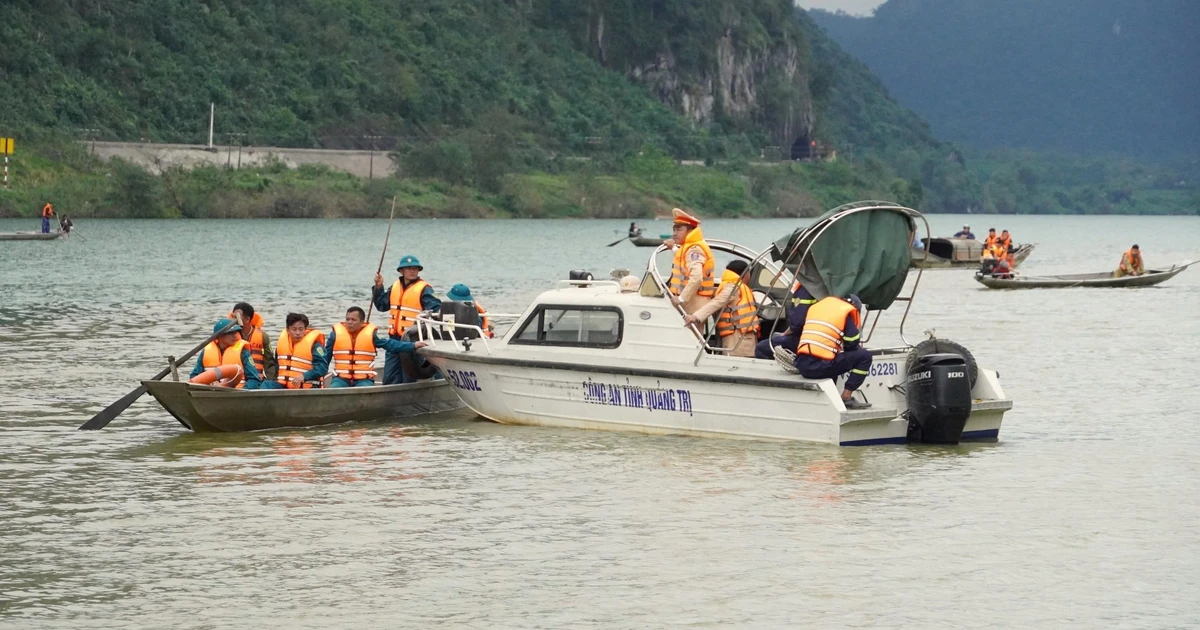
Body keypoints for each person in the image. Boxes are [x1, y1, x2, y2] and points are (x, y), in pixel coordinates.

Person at [792, 295, 872, 410]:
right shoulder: (845, 311)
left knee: (833, 356)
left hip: (802, 365)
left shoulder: (818, 307)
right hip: (820, 366)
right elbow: (852, 341)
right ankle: (846, 397)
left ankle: (830, 397)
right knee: (865, 356)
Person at [372, 255, 441, 384]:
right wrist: (379, 287)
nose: (412, 271)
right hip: (394, 340)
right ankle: (391, 398)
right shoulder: (395, 287)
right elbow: (381, 305)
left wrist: (422, 321)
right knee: (389, 376)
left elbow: (435, 307)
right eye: (408, 268)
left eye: (415, 268)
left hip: (412, 339)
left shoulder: (425, 288)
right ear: (401, 271)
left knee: (409, 376)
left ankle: (411, 398)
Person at [325, 306, 429, 387]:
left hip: (363, 380)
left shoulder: (371, 335)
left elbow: (391, 345)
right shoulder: (335, 335)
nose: (349, 322)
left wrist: (413, 345)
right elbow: (325, 357)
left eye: (353, 320)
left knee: (365, 392)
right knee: (334, 388)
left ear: (362, 323)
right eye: (347, 319)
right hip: (340, 379)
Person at [684, 260, 760, 358]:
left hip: (739, 338)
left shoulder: (729, 285)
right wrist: (696, 316)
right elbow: (717, 302)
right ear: (745, 274)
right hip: (739, 340)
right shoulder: (734, 288)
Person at [664, 207, 715, 316]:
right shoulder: (688, 248)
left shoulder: (694, 249)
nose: (674, 233)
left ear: (690, 231)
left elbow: (696, 278)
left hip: (693, 305)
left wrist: (681, 298)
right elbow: (685, 260)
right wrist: (673, 248)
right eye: (674, 229)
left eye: (679, 229)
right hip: (691, 304)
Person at [189, 318, 263, 389]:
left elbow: (254, 379)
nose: (235, 336)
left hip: (236, 393)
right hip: (210, 392)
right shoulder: (206, 351)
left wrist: (244, 391)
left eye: (235, 332)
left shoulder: (243, 352)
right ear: (219, 336)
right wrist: (207, 384)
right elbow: (194, 376)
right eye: (230, 333)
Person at [755, 279, 817, 359]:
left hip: (803, 340)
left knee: (761, 348)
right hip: (820, 339)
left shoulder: (805, 290)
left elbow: (797, 323)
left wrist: (783, 335)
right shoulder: (821, 288)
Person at [263, 313, 327, 389]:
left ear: (305, 329)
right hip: (284, 385)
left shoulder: (315, 346)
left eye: (301, 329)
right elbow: (277, 366)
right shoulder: (282, 345)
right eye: (294, 329)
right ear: (287, 330)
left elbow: (322, 368)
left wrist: (304, 376)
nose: (298, 333)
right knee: (266, 384)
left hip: (307, 387)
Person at [229, 302, 276, 384]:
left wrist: (270, 382)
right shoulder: (228, 337)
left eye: (237, 317)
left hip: (256, 379)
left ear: (247, 319)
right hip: (235, 380)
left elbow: (269, 364)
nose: (234, 320)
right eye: (233, 317)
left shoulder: (263, 337)